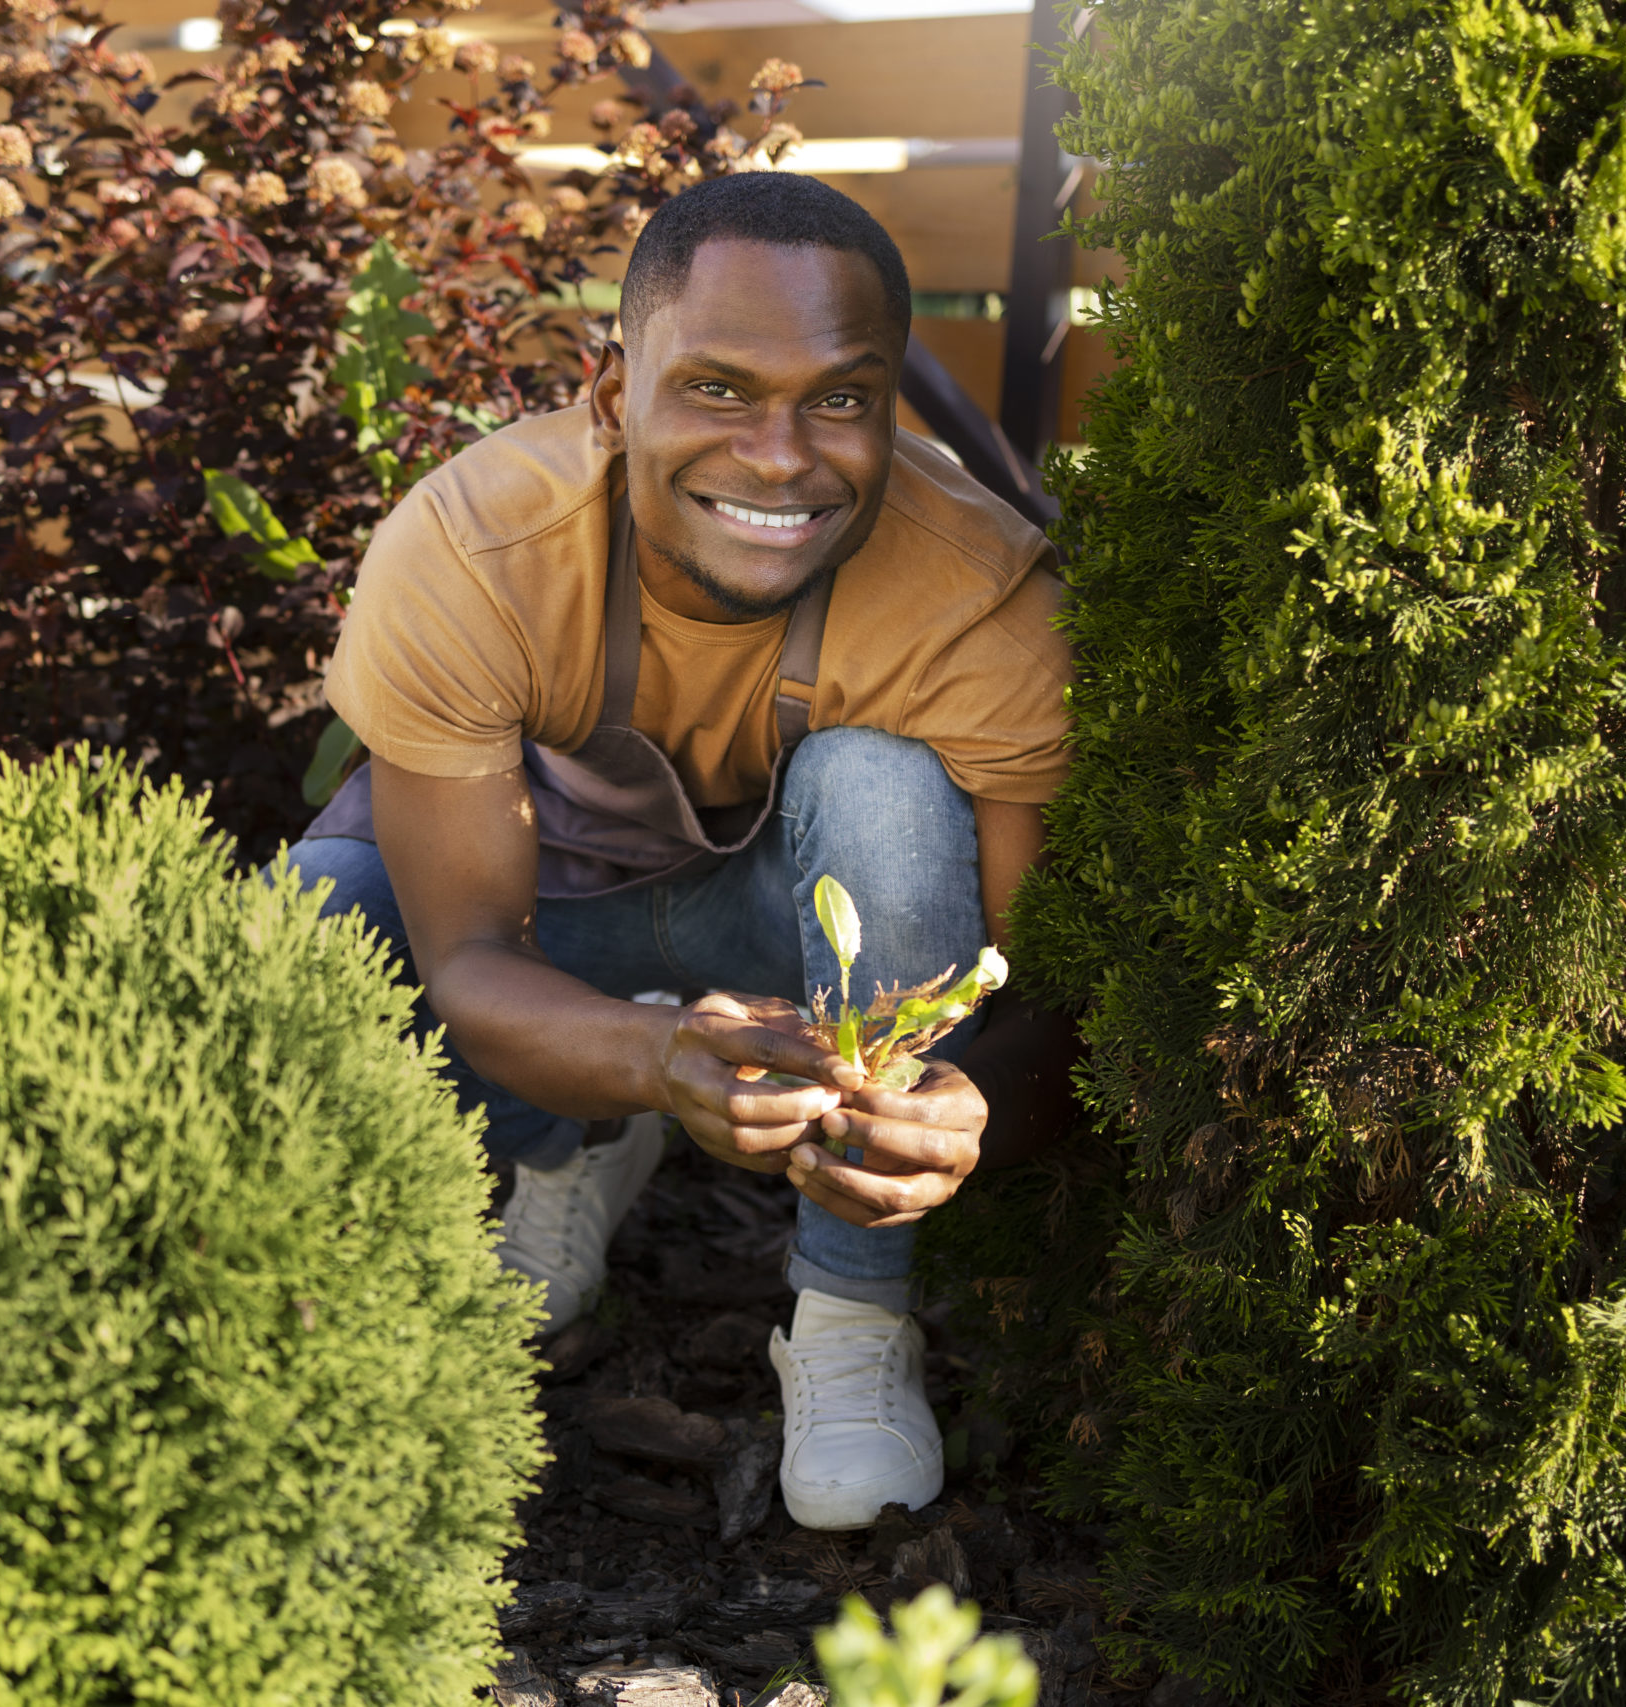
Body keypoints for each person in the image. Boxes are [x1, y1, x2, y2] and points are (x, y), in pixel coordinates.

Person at [287, 171, 1073, 1532]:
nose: (779, 456)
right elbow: (468, 952)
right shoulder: (475, 550)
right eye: (716, 388)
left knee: (879, 786)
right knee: (323, 908)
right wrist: (652, 1061)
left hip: (794, 925)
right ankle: (559, 1154)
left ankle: (848, 1318)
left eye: (839, 397)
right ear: (610, 390)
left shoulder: (978, 595)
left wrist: (973, 1111)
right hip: (555, 919)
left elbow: (1057, 989)